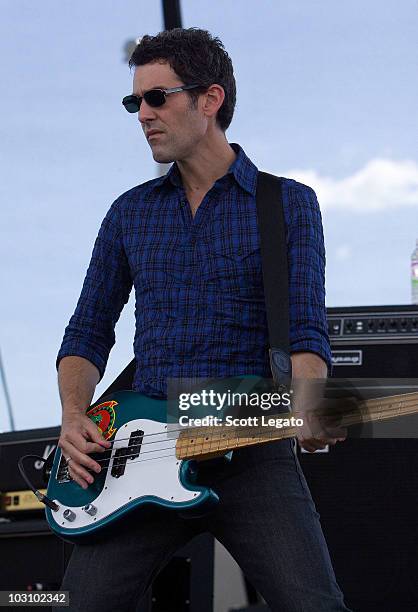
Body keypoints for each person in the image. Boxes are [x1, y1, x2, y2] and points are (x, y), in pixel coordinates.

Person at [54, 28, 352, 612]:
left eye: (156, 98)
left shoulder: (287, 204)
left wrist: (309, 397)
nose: (142, 114)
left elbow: (305, 333)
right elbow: (87, 332)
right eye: (133, 102)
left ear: (209, 100)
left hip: (251, 447)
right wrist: (71, 416)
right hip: (141, 452)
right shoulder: (129, 213)